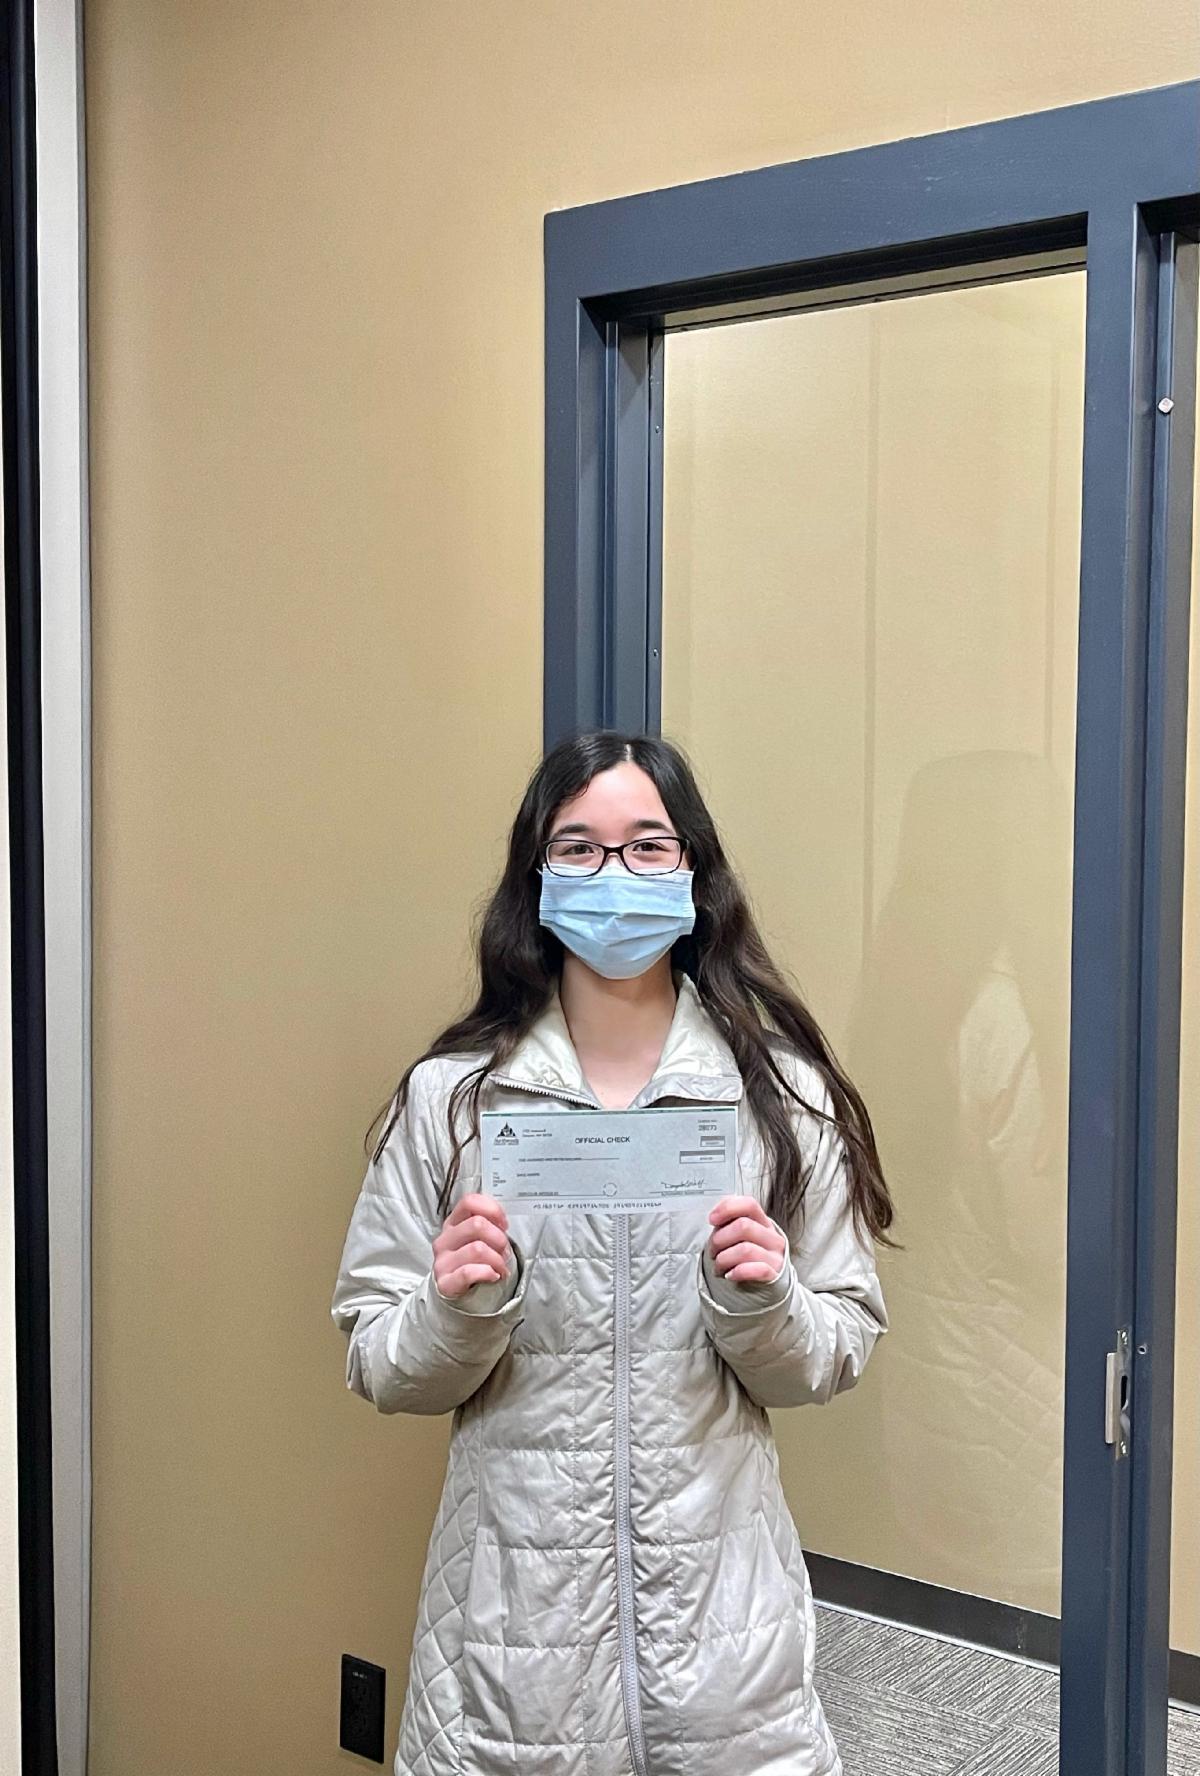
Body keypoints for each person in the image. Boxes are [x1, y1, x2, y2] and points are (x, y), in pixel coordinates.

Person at [330, 728, 895, 1776]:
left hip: (726, 1641)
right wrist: (457, 1308)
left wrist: (765, 1301)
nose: (615, 873)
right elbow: (379, 1360)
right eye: (579, 847)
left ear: (693, 871)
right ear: (537, 877)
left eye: (647, 845)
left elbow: (833, 1350)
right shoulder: (453, 1100)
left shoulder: (780, 1099)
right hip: (510, 1650)